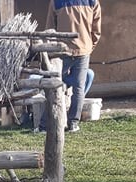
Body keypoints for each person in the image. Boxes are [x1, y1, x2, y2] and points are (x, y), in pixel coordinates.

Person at [38, 0, 101, 133]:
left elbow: (50, 30)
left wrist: (51, 50)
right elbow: (96, 30)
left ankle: (45, 124)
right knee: (79, 88)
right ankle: (73, 123)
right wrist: (89, 47)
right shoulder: (92, 2)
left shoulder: (56, 2)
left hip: (62, 50)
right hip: (83, 50)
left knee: (54, 85)